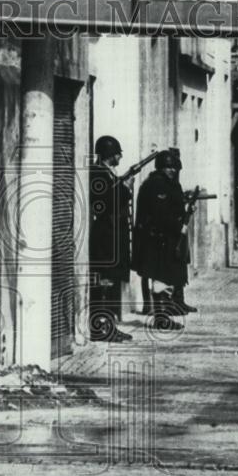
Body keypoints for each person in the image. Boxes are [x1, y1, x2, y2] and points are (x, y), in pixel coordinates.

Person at [132, 150, 187, 331]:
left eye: (174, 167)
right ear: (160, 168)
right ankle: (161, 318)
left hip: (163, 238)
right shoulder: (157, 185)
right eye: (168, 167)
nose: (172, 170)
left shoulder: (165, 183)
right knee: (161, 278)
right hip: (158, 239)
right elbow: (161, 214)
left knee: (164, 278)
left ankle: (162, 317)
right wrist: (178, 226)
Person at [88, 135, 134, 342]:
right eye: (117, 154)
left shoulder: (106, 173)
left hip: (113, 235)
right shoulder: (98, 173)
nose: (119, 157)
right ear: (110, 154)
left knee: (112, 282)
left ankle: (110, 325)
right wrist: (126, 187)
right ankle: (101, 328)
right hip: (105, 236)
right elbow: (108, 201)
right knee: (104, 282)